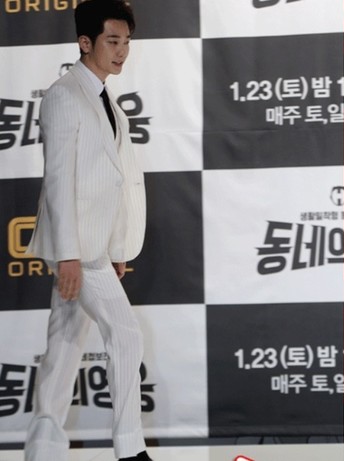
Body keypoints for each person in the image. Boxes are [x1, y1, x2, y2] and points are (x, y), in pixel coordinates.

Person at [23, 1, 150, 460]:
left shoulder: (104, 97)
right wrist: (70, 256)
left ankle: (42, 447)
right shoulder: (64, 95)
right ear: (85, 42)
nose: (122, 51)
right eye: (112, 41)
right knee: (126, 334)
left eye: (126, 42)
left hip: (95, 245)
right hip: (77, 248)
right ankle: (130, 449)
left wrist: (116, 247)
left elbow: (112, 180)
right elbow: (58, 181)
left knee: (64, 343)